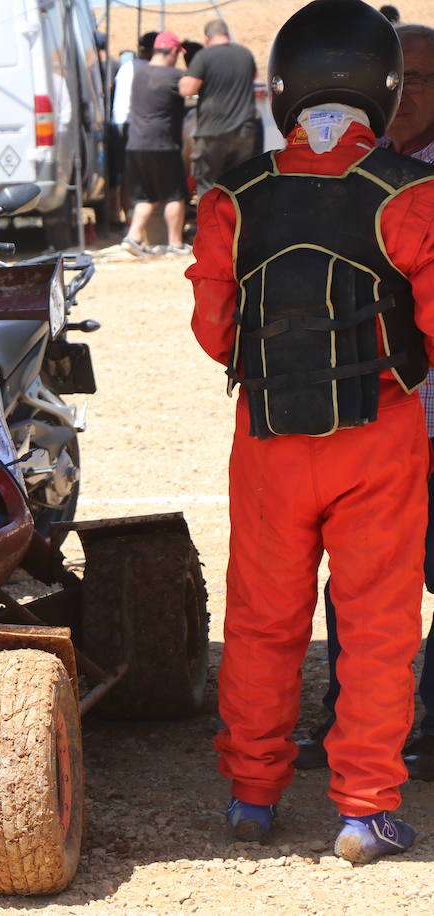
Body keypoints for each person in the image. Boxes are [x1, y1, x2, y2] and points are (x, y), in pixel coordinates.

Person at [188, 0, 434, 864]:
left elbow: (215, 330)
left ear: (282, 87)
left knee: (261, 623)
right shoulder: (413, 192)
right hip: (382, 439)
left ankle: (253, 797)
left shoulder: (234, 194)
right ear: (386, 86)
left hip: (266, 437)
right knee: (376, 626)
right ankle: (364, 811)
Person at [293, 21, 434, 782]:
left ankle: (428, 724)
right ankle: (347, 719)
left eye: (422, 81)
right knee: (359, 582)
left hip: (424, 419)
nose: (405, 96)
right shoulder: (331, 171)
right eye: (396, 80)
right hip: (360, 424)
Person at [121, 31, 190, 257]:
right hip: (162, 145)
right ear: (172, 52)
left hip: (135, 144)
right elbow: (192, 90)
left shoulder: (139, 73)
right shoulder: (175, 76)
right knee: (175, 194)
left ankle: (133, 237)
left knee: (146, 196)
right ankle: (176, 244)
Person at [178, 19, 260, 198]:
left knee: (208, 187)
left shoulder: (204, 57)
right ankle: (236, 225)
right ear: (227, 35)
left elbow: (187, 89)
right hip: (244, 133)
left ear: (207, 39)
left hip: (212, 134)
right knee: (239, 186)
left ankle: (211, 226)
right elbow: (254, 75)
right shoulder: (245, 54)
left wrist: (184, 78)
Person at [108, 32, 158, 229]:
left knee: (122, 175)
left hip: (117, 123)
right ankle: (134, 220)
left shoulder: (126, 67)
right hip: (133, 125)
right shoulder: (147, 69)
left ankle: (123, 216)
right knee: (136, 175)